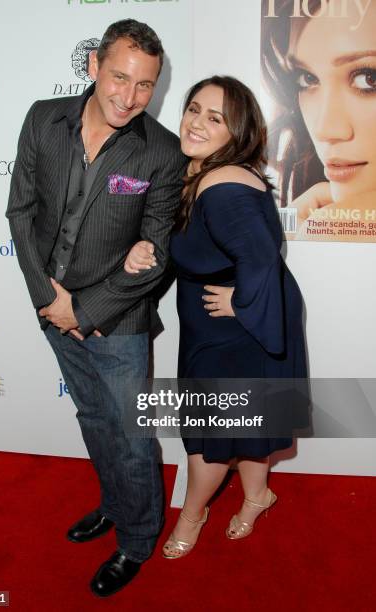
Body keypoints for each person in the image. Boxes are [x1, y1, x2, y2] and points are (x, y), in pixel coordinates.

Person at [6, 19, 186, 596]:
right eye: (119, 78)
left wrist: (83, 313)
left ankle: (136, 540)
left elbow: (155, 255)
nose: (129, 97)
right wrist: (49, 297)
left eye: (145, 86)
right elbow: (20, 212)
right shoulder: (43, 117)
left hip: (119, 321)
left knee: (132, 435)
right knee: (93, 419)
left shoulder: (160, 151)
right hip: (51, 306)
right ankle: (114, 504)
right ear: (93, 68)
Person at [125, 75, 307, 558]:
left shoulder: (222, 185)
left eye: (215, 117)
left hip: (236, 332)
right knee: (250, 425)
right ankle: (256, 497)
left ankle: (192, 514)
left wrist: (242, 303)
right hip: (224, 328)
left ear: (237, 131)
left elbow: (262, 257)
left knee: (209, 438)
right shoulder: (205, 171)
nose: (197, 123)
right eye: (193, 109)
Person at [261, 0, 376, 241]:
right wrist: (288, 231)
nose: (325, 130)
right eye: (307, 79)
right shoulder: (312, 215)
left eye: (369, 78)